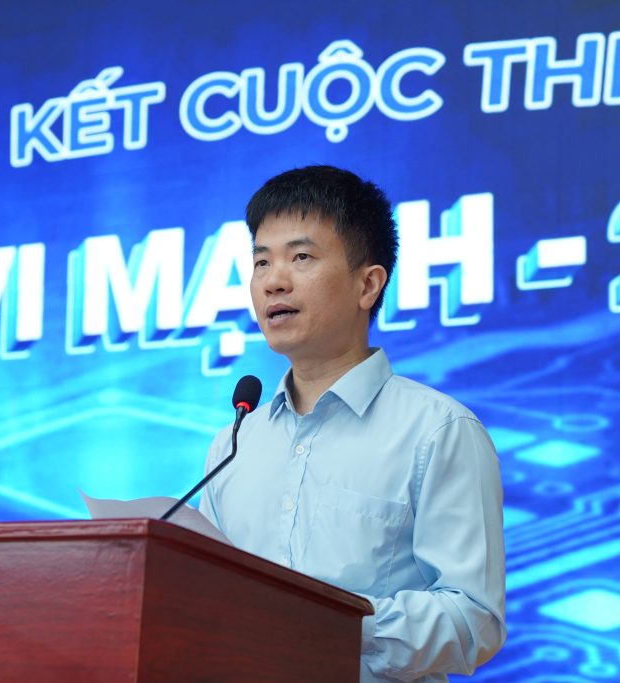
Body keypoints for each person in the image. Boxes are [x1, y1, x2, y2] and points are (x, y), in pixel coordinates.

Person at [199, 165, 505, 682]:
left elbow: (473, 620)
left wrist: (332, 622)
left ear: (368, 284)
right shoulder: (235, 442)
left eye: (301, 257)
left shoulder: (438, 431)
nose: (273, 281)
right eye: (260, 261)